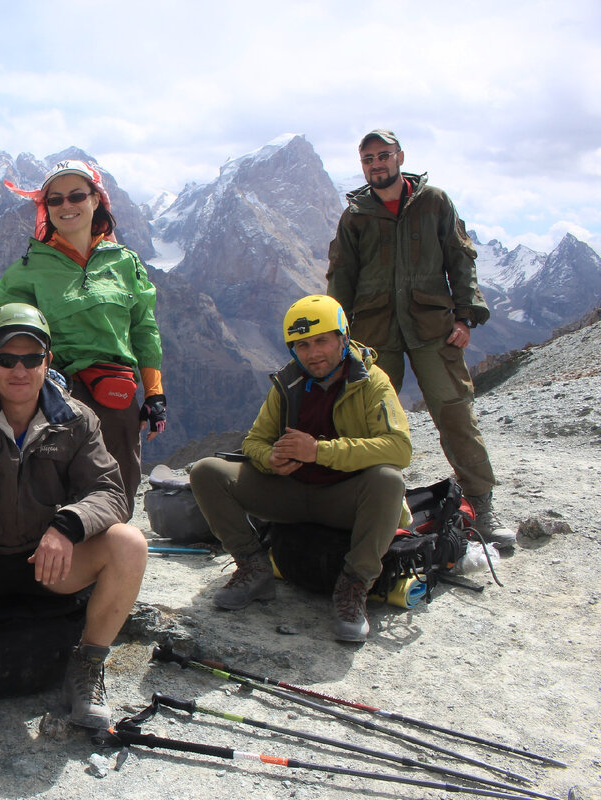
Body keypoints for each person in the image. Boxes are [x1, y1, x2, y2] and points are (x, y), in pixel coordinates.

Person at [0, 303, 147, 755]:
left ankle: (87, 668)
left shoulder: (77, 419)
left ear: (48, 361)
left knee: (128, 543)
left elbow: (112, 493)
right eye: (6, 358)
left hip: (49, 561)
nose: (18, 369)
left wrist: (68, 525)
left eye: (31, 358)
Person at [327, 129, 515, 548]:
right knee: (369, 420)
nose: (377, 165)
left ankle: (481, 506)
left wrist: (465, 317)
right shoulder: (355, 216)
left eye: (383, 156)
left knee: (455, 413)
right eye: (368, 159)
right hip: (375, 334)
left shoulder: (434, 203)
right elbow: (341, 276)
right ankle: (363, 509)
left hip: (433, 327)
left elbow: (459, 257)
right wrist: (336, 336)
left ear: (400, 157)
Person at [189, 296, 412, 642]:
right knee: (206, 471)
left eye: (322, 340)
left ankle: (354, 587)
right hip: (292, 490)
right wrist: (270, 459)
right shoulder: (288, 383)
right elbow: (254, 441)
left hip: (345, 497)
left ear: (343, 337)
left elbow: (399, 447)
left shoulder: (371, 382)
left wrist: (318, 452)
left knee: (388, 480)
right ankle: (254, 567)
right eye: (302, 345)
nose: (312, 353)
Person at [0, 159, 165, 517]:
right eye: (55, 200)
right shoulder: (27, 270)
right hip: (55, 393)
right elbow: (4, 333)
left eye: (76, 196)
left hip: (116, 394)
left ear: (95, 200)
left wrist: (154, 391)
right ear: (46, 208)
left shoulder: (125, 263)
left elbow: (143, 329)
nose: (66, 206)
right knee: (55, 490)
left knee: (118, 487)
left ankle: (112, 563)